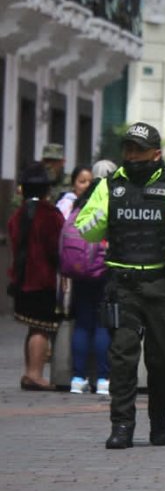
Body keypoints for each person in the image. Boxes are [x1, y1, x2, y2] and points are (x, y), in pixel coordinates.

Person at [76, 122, 165, 449]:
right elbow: (85, 228)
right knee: (122, 358)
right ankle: (121, 425)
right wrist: (103, 213)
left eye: (139, 149)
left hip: (162, 285)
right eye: (128, 148)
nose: (132, 155)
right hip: (123, 286)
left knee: (162, 360)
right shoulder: (111, 187)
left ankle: (159, 418)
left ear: (156, 152)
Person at [8, 164, 65, 391]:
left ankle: (29, 371)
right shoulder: (50, 215)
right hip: (43, 280)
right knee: (41, 328)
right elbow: (56, 247)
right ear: (46, 190)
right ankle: (35, 374)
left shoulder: (17, 215)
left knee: (32, 327)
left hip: (21, 279)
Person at [60, 174, 110, 395]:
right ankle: (102, 379)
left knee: (82, 325)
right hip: (103, 275)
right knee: (102, 326)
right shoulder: (106, 212)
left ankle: (78, 378)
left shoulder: (77, 211)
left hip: (79, 275)